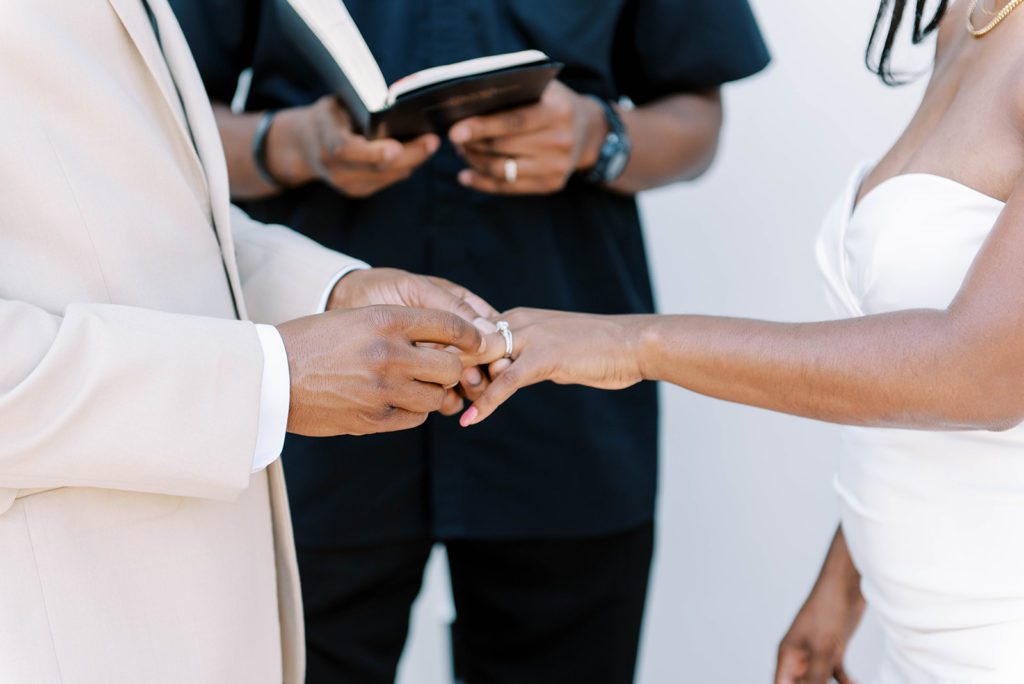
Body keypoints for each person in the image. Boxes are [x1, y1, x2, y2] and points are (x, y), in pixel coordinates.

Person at [169, 1, 770, 682]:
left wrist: (596, 137)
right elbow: (160, 125)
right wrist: (292, 143)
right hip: (315, 397)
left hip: (566, 400)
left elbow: (695, 116)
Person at [463, 1, 1024, 680]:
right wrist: (841, 587)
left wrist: (638, 344)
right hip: (919, 639)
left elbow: (979, 375)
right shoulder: (970, 13)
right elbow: (917, 386)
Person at [0, 0, 495, 681]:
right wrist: (269, 379)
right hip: (58, 617)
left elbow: (154, 210)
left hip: (196, 604)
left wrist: (330, 292)